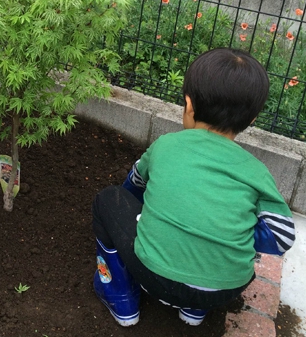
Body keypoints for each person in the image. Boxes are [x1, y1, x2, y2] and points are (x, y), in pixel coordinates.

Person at [92, 48, 295, 327]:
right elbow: (282, 236)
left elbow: (134, 184)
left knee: (108, 200)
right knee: (210, 266)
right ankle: (194, 311)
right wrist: (227, 233)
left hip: (154, 276)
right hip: (225, 289)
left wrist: (151, 212)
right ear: (252, 119)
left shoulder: (166, 145)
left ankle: (120, 296)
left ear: (189, 105)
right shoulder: (256, 171)